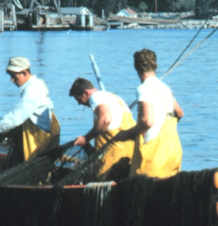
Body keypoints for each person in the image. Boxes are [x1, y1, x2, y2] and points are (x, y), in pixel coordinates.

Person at [0, 56, 59, 163]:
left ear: (24, 73)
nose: (11, 80)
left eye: (14, 76)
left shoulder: (32, 91)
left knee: (34, 169)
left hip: (39, 138)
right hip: (45, 133)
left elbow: (15, 118)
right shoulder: (38, 82)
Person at [124, 48, 184, 178]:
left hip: (155, 156)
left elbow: (147, 121)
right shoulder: (166, 88)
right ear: (156, 65)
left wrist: (127, 134)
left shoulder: (143, 89)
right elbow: (179, 113)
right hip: (173, 151)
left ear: (136, 68)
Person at [69, 77, 136, 180]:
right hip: (131, 152)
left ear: (86, 93)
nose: (79, 103)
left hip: (114, 155)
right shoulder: (113, 97)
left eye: (79, 99)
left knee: (102, 186)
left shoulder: (95, 97)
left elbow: (105, 120)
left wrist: (86, 138)